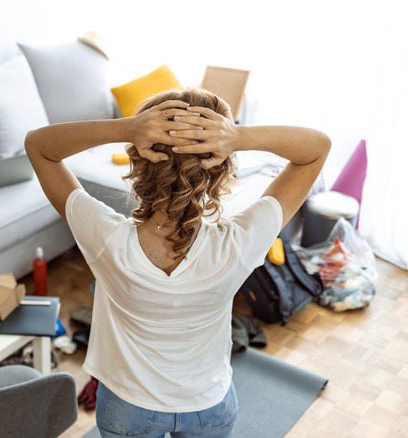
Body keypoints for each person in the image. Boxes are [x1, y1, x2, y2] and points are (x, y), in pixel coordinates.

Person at [24, 88, 330, 438]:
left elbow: (38, 146)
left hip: (128, 408)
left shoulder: (104, 237)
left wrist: (127, 128)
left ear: (139, 161)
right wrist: (239, 136)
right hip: (209, 406)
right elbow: (316, 149)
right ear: (219, 168)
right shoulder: (239, 243)